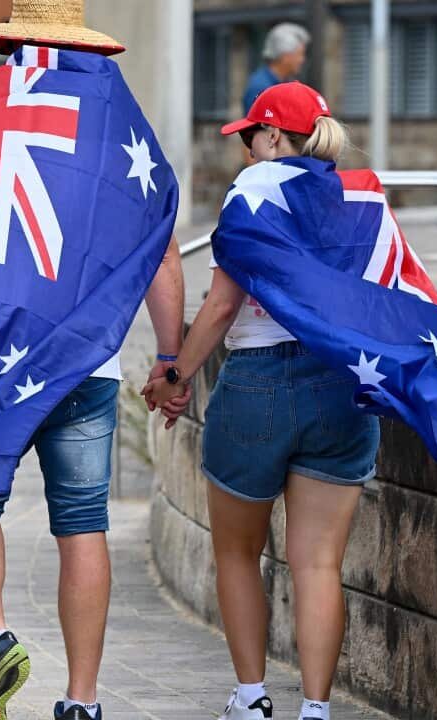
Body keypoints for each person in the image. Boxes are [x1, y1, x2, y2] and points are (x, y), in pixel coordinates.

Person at [0, 4, 187, 719]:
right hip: (86, 363)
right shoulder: (114, 123)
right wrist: (172, 358)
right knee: (82, 524)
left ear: (13, 42)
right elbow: (159, 246)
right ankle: (82, 701)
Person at [144, 82, 379, 720]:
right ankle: (316, 709)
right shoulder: (360, 193)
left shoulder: (256, 189)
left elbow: (222, 306)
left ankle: (251, 699)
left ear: (275, 137)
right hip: (341, 385)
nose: (245, 150)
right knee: (318, 563)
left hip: (259, 382)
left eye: (251, 137)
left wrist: (175, 374)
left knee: (236, 554)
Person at [243, 23, 310, 117]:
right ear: (285, 56)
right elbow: (259, 128)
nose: (302, 60)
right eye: (300, 54)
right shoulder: (260, 88)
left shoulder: (283, 83)